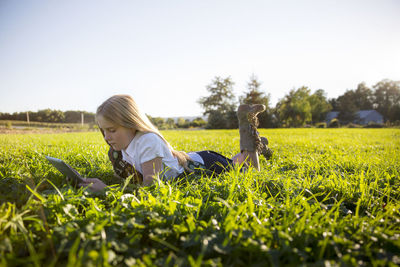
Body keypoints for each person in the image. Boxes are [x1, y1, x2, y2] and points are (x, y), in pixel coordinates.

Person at [79, 95, 273, 191]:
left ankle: (246, 123)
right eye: (103, 130)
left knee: (250, 171)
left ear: (132, 124)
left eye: (112, 130)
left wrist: (106, 191)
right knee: (237, 162)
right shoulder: (119, 148)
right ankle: (259, 146)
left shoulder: (147, 141)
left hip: (205, 165)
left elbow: (151, 189)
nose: (106, 137)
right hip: (193, 159)